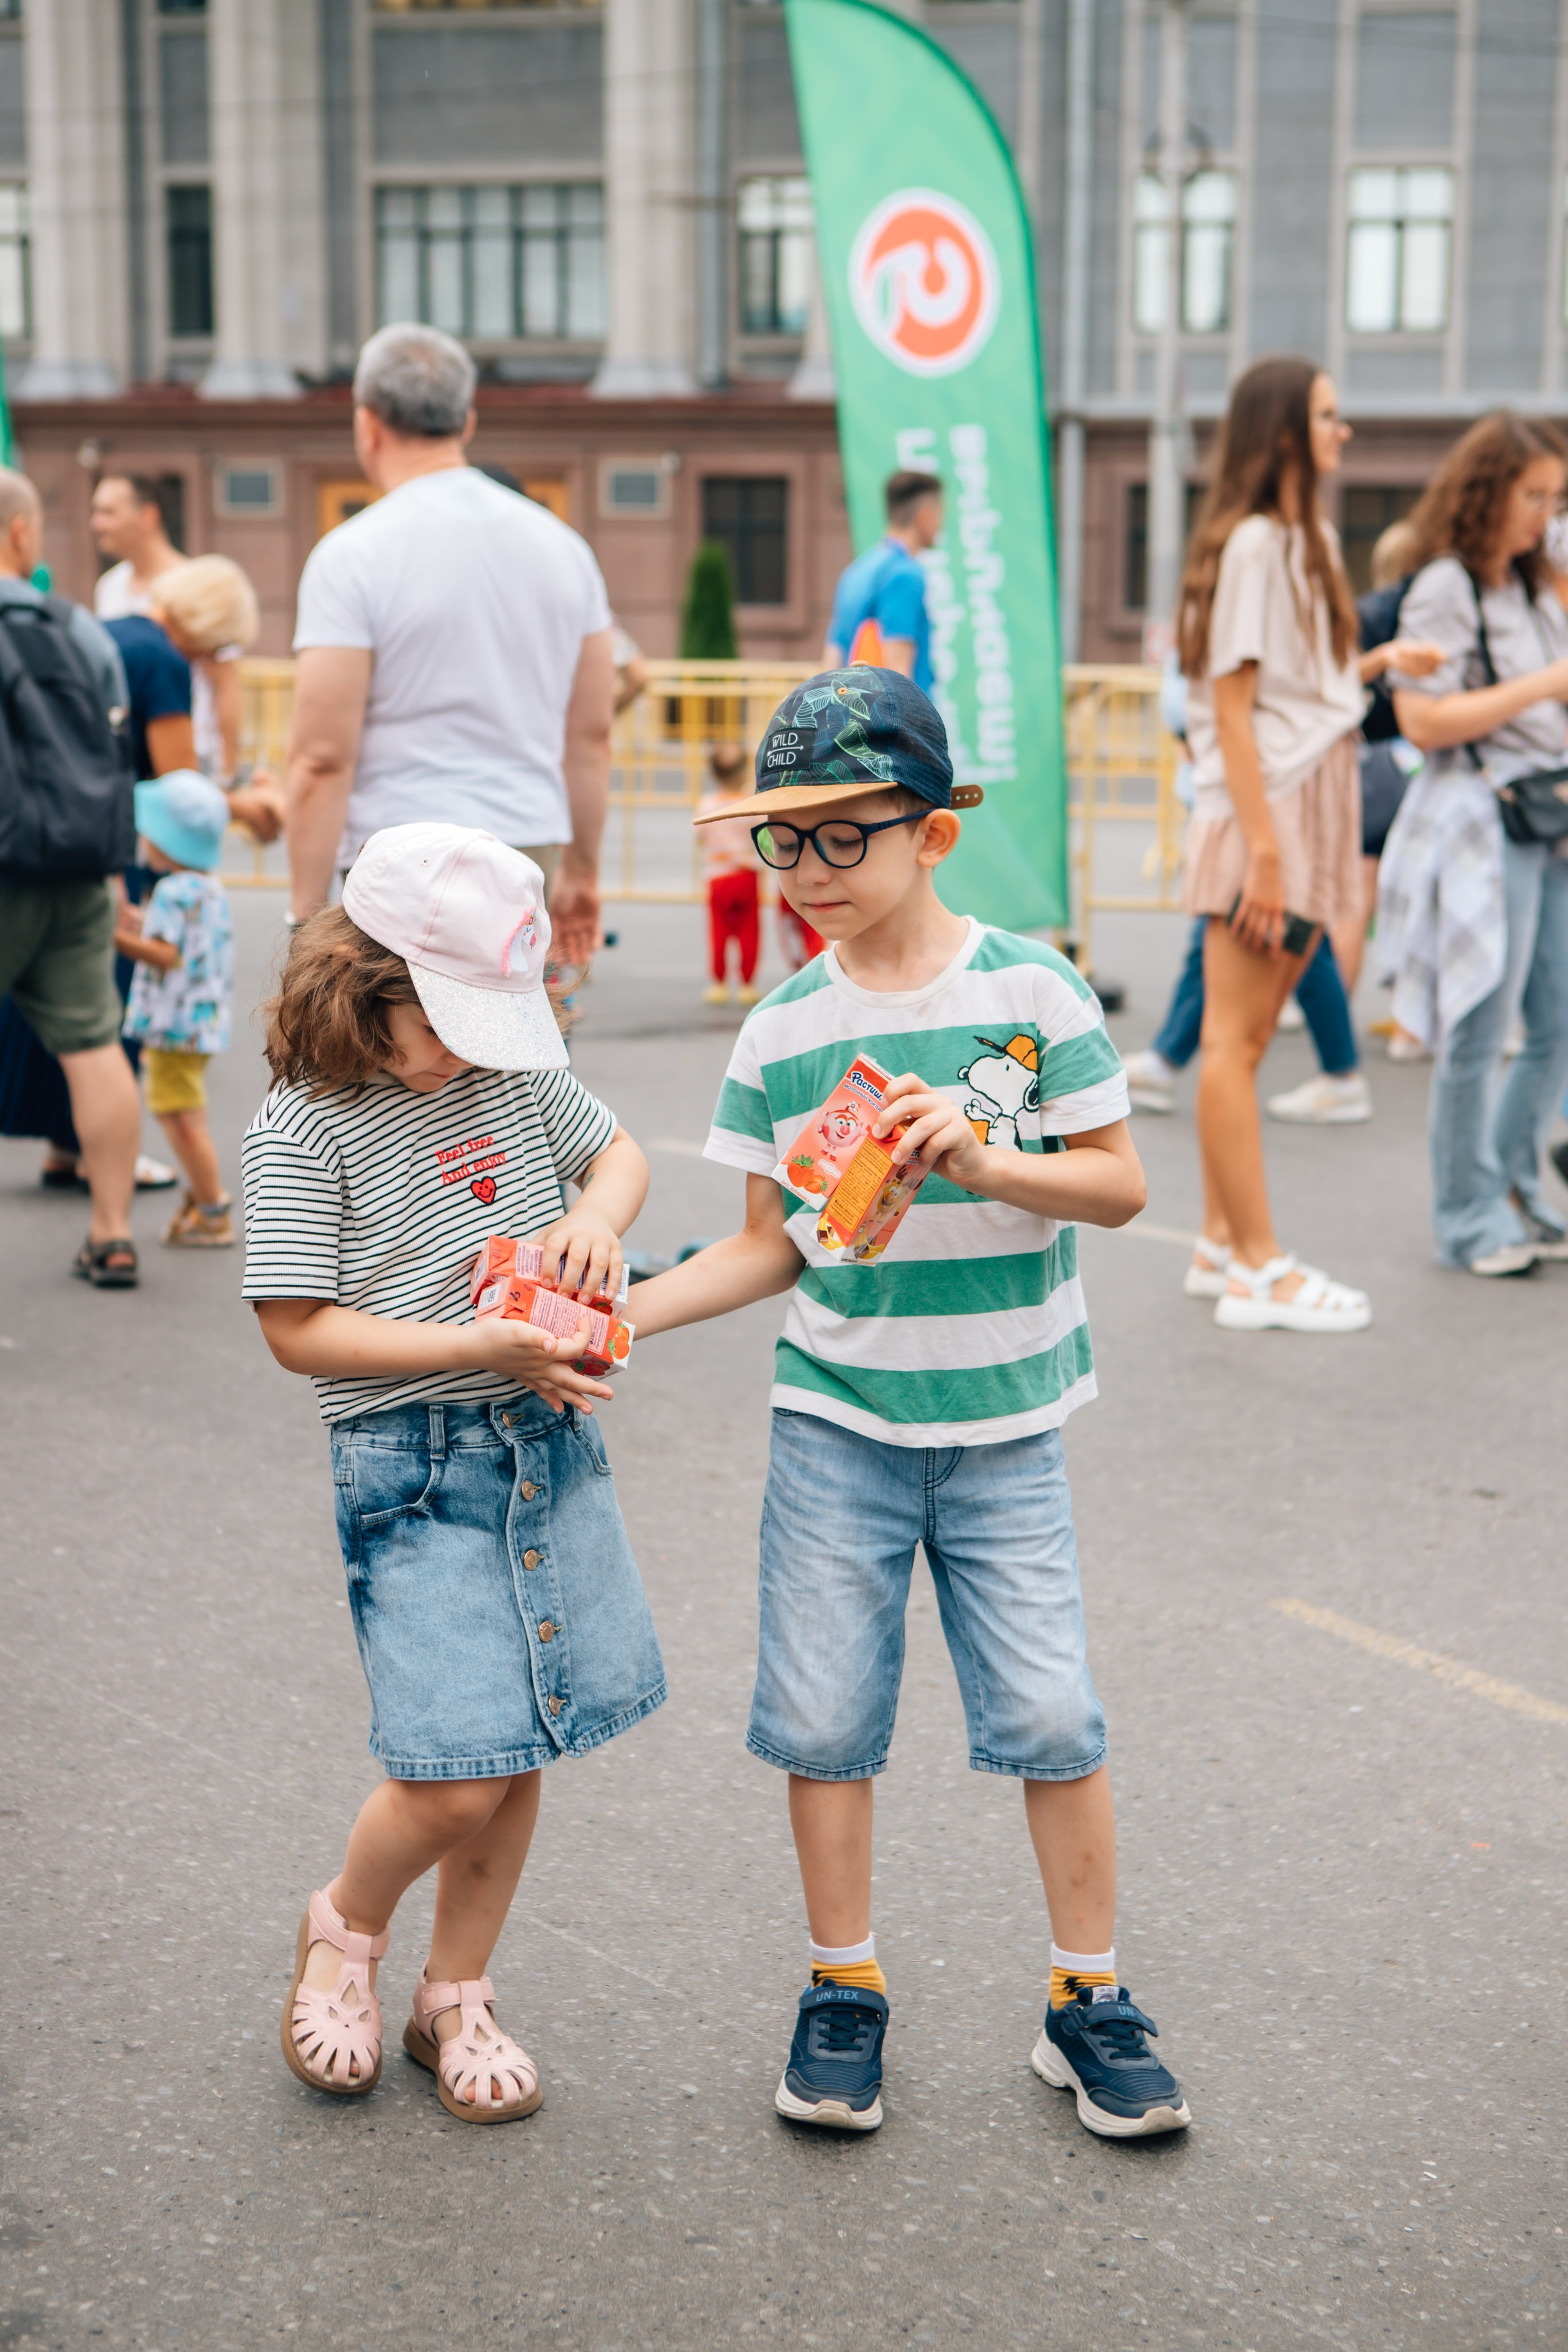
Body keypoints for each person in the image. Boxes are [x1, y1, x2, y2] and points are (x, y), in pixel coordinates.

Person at [630, 668, 1189, 2144]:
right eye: (782, 842)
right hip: (837, 1423)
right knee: (823, 1717)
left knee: (1052, 1712)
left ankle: (1087, 1997)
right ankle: (841, 1983)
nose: (807, 873)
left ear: (930, 833)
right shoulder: (782, 1030)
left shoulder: (1031, 991)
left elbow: (1121, 1187)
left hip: (1008, 1420)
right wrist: (619, 1315)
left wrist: (992, 1164)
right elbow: (765, 1243)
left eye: (842, 837)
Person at [243, 823, 663, 2120]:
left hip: (542, 1442)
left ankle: (455, 1992)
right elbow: (294, 1326)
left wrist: (594, 1218)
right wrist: (467, 1341)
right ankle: (344, 1926)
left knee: (518, 1745)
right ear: (363, 984)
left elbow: (617, 1152)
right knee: (451, 1775)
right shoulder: (303, 1124)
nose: (470, 1052)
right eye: (445, 1022)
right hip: (408, 1465)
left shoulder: (508, 1076)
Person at [1176, 357, 1441, 1330]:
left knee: (1238, 1042)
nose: (1346, 432)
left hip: (1309, 798)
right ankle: (1258, 1266)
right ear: (1285, 431)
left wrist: (1373, 663)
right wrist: (1269, 853)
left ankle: (1219, 1244)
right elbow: (1235, 713)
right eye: (1330, 416)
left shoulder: (1305, 539)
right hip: (1274, 810)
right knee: (1233, 1044)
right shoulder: (1255, 544)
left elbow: (1296, 694)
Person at [285, 323, 614, 968]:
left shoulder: (351, 554)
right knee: (520, 1054)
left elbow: (322, 759)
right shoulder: (564, 549)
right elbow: (591, 734)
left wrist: (304, 917)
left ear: (366, 424)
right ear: (466, 422)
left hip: (395, 859)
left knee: (396, 1062)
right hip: (525, 846)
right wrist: (583, 874)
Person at [1379, 411, 1568, 1276]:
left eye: (1555, 497)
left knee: (1554, 1025)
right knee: (1480, 1026)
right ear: (1489, 492)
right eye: (1533, 495)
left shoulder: (1533, 585)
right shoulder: (1447, 585)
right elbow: (1423, 719)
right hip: (1483, 821)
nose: (1544, 514)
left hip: (1546, 818)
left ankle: (1515, 1188)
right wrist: (1545, 683)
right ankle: (1467, 1216)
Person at [0, 466, 143, 1286]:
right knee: (95, 1047)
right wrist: (117, 866)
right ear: (22, 533)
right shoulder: (80, 629)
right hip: (77, 870)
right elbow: (115, 755)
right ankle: (113, 1232)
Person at [1123, 663, 1371, 1123]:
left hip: (1255, 807)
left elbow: (1232, 713)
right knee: (1274, 960)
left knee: (1235, 1039)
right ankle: (1340, 1072)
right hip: (1252, 804)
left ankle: (1168, 1059)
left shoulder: (1250, 608)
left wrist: (1263, 854)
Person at [116, 771, 235, 1248]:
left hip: (172, 1027)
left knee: (182, 1118)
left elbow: (166, 955)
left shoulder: (170, 891)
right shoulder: (208, 888)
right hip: (200, 1024)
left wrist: (115, 937)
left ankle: (212, 1208)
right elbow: (189, 942)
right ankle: (204, 1197)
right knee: (187, 1112)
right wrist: (141, 925)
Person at [92, 474, 248, 794]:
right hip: (143, 761)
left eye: (109, 512)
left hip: (169, 752)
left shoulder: (198, 586)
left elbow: (225, 687)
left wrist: (227, 771)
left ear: (148, 516)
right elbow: (182, 800)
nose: (96, 523)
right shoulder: (162, 652)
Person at [824, 471, 943, 689]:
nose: (941, 525)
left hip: (852, 715)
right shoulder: (905, 574)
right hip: (893, 719)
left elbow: (831, 660)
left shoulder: (855, 571)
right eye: (940, 515)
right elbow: (898, 674)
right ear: (924, 516)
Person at [697, 742, 763, 1007]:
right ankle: (747, 983)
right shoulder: (751, 803)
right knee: (749, 930)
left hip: (717, 875)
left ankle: (719, 983)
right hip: (746, 874)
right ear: (745, 771)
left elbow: (699, 837)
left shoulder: (706, 805)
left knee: (719, 931)